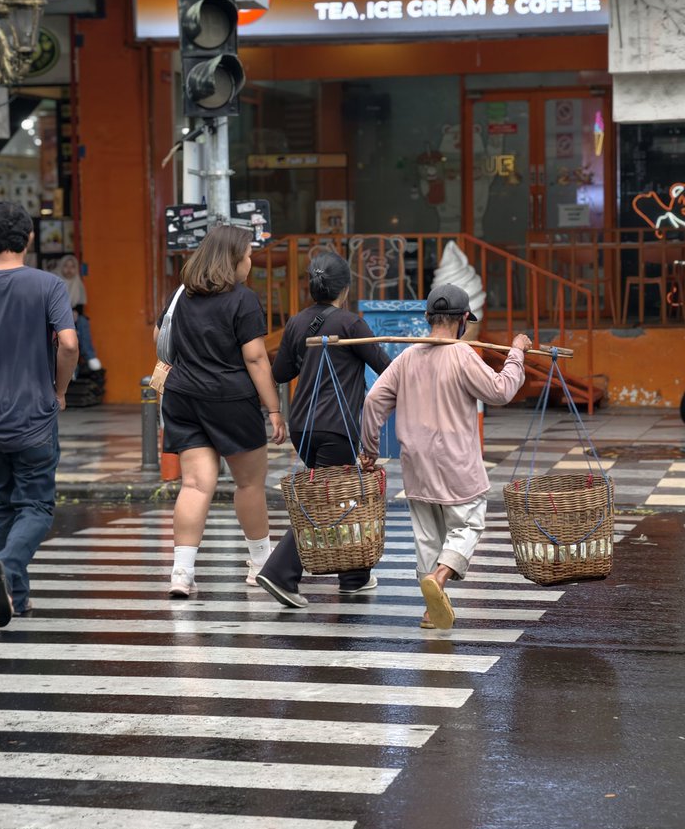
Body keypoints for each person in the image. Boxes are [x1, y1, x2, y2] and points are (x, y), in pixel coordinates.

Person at [360, 282, 532, 630]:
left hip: (417, 465)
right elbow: (501, 390)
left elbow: (373, 401)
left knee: (427, 537)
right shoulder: (462, 354)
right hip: (457, 464)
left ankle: (430, 611)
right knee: (469, 522)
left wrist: (369, 449)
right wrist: (516, 353)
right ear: (464, 318)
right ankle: (438, 578)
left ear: (428, 317)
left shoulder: (407, 358)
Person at [154, 221, 286, 597]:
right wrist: (274, 409)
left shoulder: (181, 294)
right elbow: (256, 358)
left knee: (195, 484)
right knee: (249, 483)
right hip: (230, 400)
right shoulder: (243, 299)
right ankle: (260, 566)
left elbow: (159, 337)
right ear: (233, 259)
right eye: (248, 256)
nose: (250, 263)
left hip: (182, 396)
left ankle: (182, 573)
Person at [255, 251, 391, 608]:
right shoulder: (352, 324)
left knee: (341, 496)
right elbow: (385, 367)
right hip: (336, 428)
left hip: (303, 428)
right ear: (345, 289)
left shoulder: (297, 323)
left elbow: (281, 373)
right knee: (323, 503)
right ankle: (279, 572)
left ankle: (354, 576)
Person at [0, 201, 80, 626]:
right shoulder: (48, 285)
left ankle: (16, 597)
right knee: (36, 507)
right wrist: (60, 390)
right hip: (35, 416)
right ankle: (7, 566)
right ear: (31, 238)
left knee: (0, 506)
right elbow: (69, 344)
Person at [58, 253, 102, 371]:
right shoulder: (54, 283)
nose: (69, 269)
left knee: (82, 322)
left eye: (72, 266)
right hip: (58, 317)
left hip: (74, 318)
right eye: (66, 266)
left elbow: (80, 306)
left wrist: (75, 313)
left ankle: (90, 357)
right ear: (61, 267)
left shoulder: (78, 283)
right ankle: (69, 367)